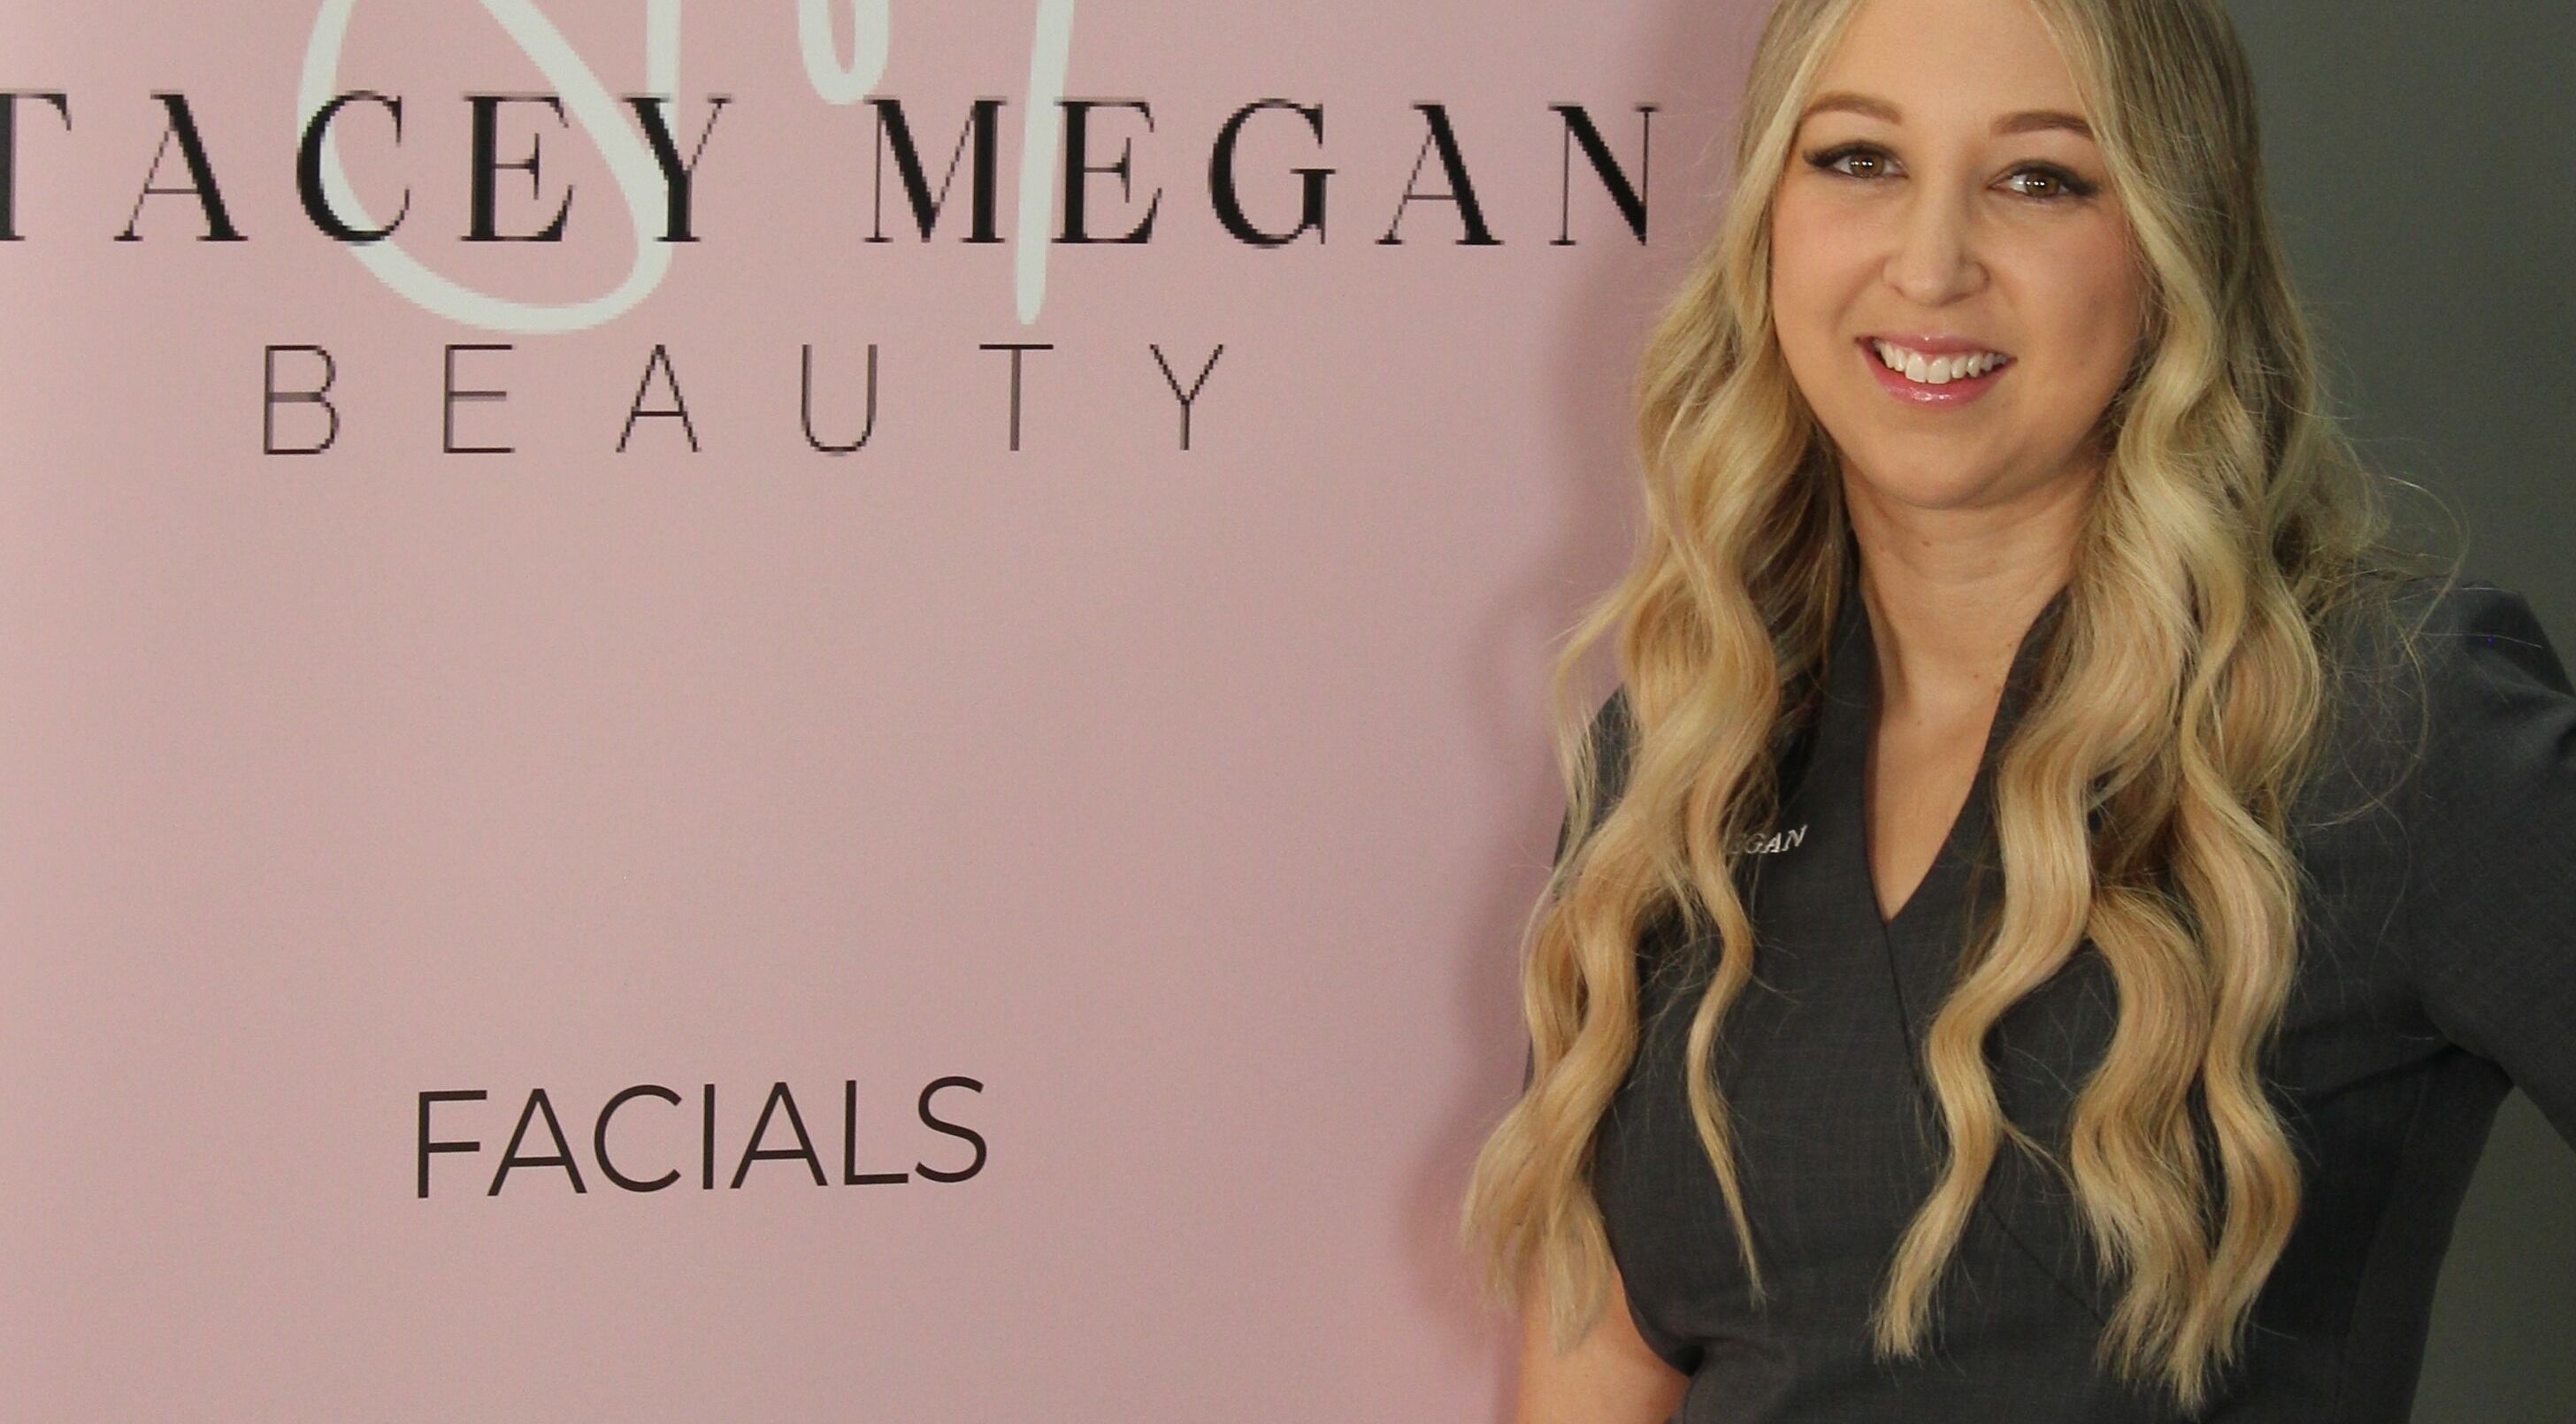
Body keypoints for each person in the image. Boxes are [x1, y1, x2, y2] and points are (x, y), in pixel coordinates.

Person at [1457, 0, 2576, 1420]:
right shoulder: (1683, 747)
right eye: (1859, 160)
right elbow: (1599, 1350)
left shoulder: (2392, 721)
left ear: (2172, 244)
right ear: (1767, 223)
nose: (1931, 263)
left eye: (2040, 178)